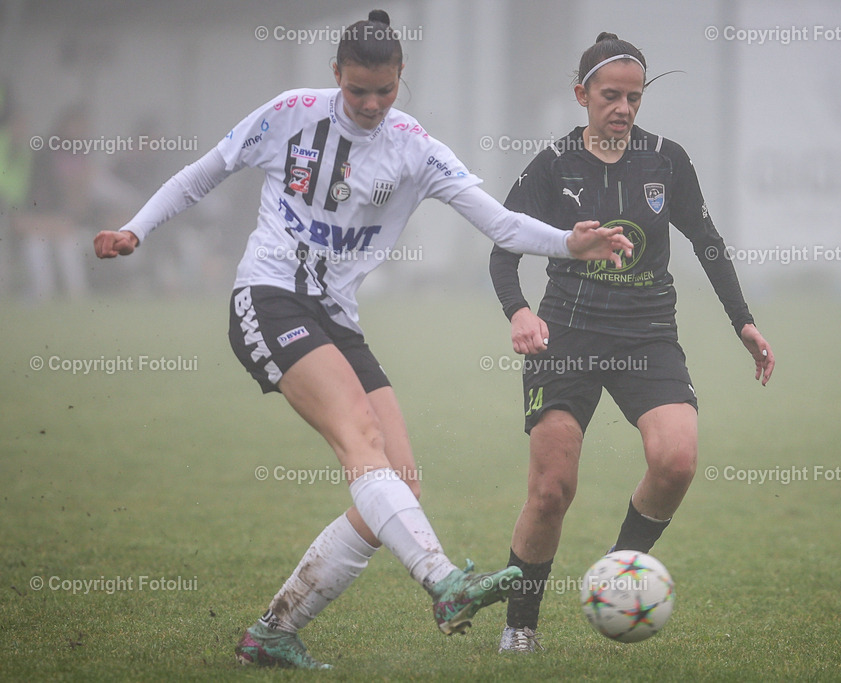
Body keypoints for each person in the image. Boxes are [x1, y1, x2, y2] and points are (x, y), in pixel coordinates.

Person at [93, 11, 631, 670]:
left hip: (337, 318)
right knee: (364, 444)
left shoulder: (415, 148)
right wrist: (136, 228)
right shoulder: (289, 115)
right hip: (268, 298)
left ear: (401, 78)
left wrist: (570, 243)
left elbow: (502, 223)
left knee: (397, 490)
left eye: (384, 90)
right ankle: (445, 584)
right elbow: (202, 173)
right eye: (357, 92)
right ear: (335, 78)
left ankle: (273, 630)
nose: (372, 105)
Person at [489, 32, 775, 653]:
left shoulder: (665, 160)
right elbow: (502, 252)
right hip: (566, 333)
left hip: (647, 332)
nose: (622, 108)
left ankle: (617, 575)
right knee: (551, 490)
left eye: (633, 98)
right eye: (610, 96)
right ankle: (520, 626)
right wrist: (517, 312)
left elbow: (706, 238)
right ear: (582, 95)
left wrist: (742, 321)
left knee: (676, 462)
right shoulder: (553, 164)